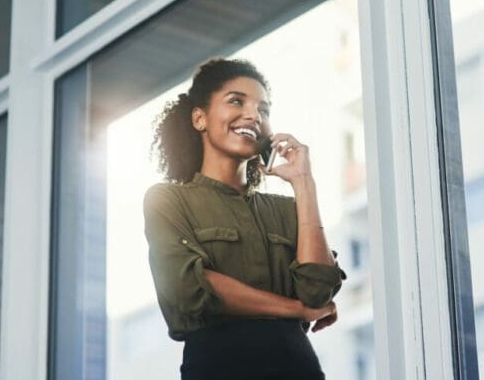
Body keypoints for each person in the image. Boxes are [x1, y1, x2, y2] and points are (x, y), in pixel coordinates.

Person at [143, 57, 347, 380]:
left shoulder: (286, 210)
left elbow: (317, 293)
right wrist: (294, 309)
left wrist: (304, 183)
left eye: (264, 110)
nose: (254, 115)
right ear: (200, 118)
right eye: (236, 101)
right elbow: (190, 291)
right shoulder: (168, 200)